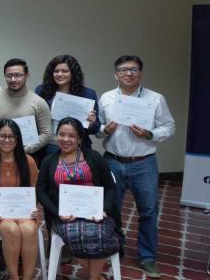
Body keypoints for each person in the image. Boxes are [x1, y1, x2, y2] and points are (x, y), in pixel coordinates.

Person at [96, 55, 175, 278]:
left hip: (144, 162)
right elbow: (98, 128)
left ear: (141, 73)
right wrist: (105, 130)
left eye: (133, 69)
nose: (128, 73)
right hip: (112, 160)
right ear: (115, 74)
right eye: (123, 70)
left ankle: (147, 257)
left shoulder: (155, 99)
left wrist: (150, 133)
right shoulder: (106, 98)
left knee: (149, 211)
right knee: (111, 210)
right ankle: (114, 249)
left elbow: (169, 127)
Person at [36, 118, 123, 280]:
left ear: (80, 139)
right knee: (76, 237)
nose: (66, 140)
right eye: (61, 134)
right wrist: (57, 213)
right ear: (56, 136)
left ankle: (92, 278)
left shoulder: (94, 157)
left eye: (71, 136)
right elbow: (41, 192)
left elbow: (111, 188)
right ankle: (96, 277)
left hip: (96, 214)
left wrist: (104, 210)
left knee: (99, 235)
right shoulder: (49, 161)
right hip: (65, 216)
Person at [0, 119, 42, 280]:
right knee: (11, 229)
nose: (6, 140)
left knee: (29, 229)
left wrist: (34, 207)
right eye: (2, 136)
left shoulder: (28, 161)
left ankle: (28, 277)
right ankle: (13, 276)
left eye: (11, 137)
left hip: (23, 211)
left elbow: (34, 190)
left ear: (18, 139)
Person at [0, 58, 52, 160]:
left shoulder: (38, 102)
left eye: (18, 75)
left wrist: (26, 150)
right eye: (9, 76)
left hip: (27, 155)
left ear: (27, 75)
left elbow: (46, 133)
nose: (13, 79)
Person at [34, 55, 100, 153]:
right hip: (49, 146)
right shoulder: (41, 91)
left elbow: (94, 129)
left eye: (65, 71)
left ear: (73, 73)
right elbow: (35, 121)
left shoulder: (88, 94)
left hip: (77, 147)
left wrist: (91, 123)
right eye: (56, 71)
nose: (60, 74)